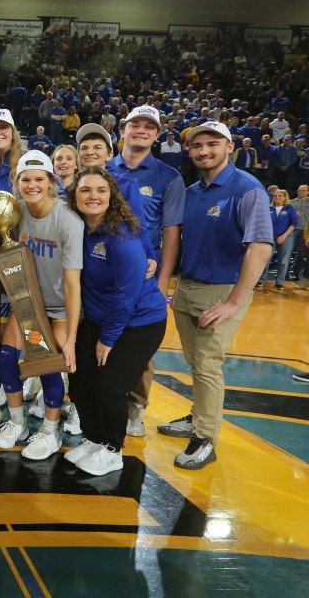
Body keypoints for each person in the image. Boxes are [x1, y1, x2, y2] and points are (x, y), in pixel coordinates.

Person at [157, 122, 272, 469]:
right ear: (189, 150)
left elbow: (261, 248)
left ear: (229, 146)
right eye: (197, 145)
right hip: (189, 286)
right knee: (195, 362)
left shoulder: (247, 188)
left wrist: (235, 301)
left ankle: (205, 437)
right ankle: (198, 416)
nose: (204, 151)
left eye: (212, 144)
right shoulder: (191, 192)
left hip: (223, 291)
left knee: (207, 364)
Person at [63, 167, 167, 475]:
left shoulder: (121, 236)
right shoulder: (76, 227)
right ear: (75, 195)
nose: (93, 196)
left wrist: (107, 339)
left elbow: (126, 297)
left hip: (138, 323)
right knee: (81, 383)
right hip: (98, 318)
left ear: (111, 197)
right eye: (85, 190)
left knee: (109, 386)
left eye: (100, 190)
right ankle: (94, 439)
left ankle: (112, 448)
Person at [0, 151, 83, 461]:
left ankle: (50, 430)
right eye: (25, 180)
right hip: (29, 302)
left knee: (47, 363)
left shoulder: (68, 220)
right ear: (17, 184)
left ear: (51, 182)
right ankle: (17, 423)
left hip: (59, 308)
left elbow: (72, 283)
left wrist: (70, 337)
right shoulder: (17, 215)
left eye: (38, 179)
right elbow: (14, 252)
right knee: (6, 358)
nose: (32, 185)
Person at [105, 105, 185, 438]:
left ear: (157, 134)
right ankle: (99, 400)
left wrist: (164, 281)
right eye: (135, 124)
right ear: (122, 130)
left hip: (144, 277)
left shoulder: (169, 177)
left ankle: (136, 405)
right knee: (100, 336)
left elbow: (171, 233)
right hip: (102, 271)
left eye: (148, 126)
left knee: (140, 341)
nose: (141, 130)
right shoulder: (102, 169)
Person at [257, 189, 297, 290]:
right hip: (270, 237)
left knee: (283, 261)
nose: (277, 198)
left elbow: (294, 224)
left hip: (286, 237)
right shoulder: (268, 208)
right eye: (275, 196)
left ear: (285, 197)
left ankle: (279, 282)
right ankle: (261, 280)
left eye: (280, 196)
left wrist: (284, 236)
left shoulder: (290, 208)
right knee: (265, 259)